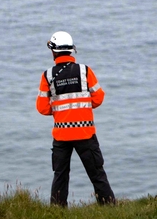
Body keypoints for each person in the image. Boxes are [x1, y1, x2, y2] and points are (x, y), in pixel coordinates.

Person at [36, 31, 115, 207]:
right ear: (71, 50)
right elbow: (98, 98)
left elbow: (42, 108)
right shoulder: (85, 71)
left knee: (60, 175)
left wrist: (60, 111)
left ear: (54, 51)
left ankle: (57, 211)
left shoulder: (47, 76)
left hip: (61, 136)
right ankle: (109, 208)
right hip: (85, 133)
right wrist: (82, 108)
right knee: (97, 174)